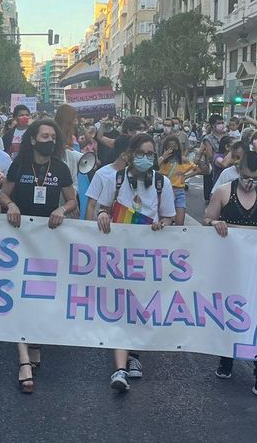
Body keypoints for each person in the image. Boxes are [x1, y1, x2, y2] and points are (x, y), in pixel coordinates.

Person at [86, 134, 176, 392]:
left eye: (151, 154)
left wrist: (163, 225)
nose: (146, 158)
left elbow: (169, 217)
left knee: (139, 307)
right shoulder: (115, 179)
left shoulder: (162, 183)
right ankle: (120, 368)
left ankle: (134, 355)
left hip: (147, 256)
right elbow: (101, 208)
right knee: (121, 308)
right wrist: (102, 215)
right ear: (129, 155)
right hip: (118, 255)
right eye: (141, 153)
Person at [0, 120, 77, 393]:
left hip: (48, 240)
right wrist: (12, 205)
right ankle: (23, 361)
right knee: (19, 294)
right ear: (32, 139)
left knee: (41, 293)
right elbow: (2, 195)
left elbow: (71, 200)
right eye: (45, 136)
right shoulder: (18, 166)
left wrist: (62, 210)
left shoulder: (61, 168)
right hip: (20, 237)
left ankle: (36, 343)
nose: (50, 140)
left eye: (53, 136)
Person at [203, 151, 257, 402]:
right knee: (231, 312)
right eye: (247, 178)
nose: (251, 183)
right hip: (229, 264)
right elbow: (207, 217)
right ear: (239, 173)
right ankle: (226, 357)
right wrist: (214, 223)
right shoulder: (224, 192)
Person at [158, 135, 198, 226]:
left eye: (174, 146)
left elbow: (197, 169)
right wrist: (162, 157)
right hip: (164, 192)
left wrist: (185, 176)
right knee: (165, 222)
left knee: (180, 222)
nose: (172, 149)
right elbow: (153, 168)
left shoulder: (183, 160)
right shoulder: (162, 160)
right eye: (170, 147)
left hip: (179, 192)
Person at [199, 115, 228, 202]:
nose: (221, 125)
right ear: (212, 125)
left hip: (228, 163)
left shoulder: (227, 136)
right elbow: (210, 155)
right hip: (215, 165)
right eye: (218, 123)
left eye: (222, 123)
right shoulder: (208, 138)